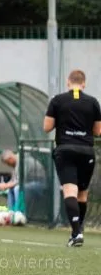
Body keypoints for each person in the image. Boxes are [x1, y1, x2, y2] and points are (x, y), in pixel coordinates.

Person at [44, 69, 101, 247]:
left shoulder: (57, 100)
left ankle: (76, 233)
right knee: (82, 194)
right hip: (86, 151)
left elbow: (47, 127)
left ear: (68, 82)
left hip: (65, 150)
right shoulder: (93, 102)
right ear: (83, 84)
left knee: (70, 192)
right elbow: (98, 131)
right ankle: (78, 230)